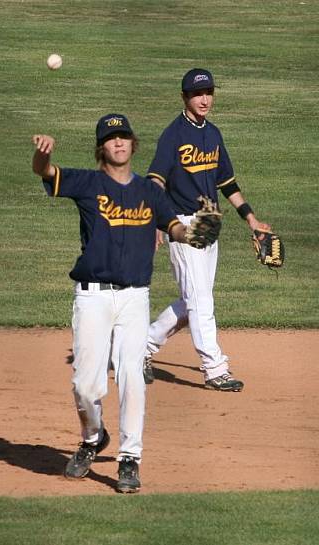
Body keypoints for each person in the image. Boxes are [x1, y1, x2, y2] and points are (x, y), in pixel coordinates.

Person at [32, 113, 217, 493]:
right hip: (92, 297)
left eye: (124, 137)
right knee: (86, 384)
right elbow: (46, 173)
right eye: (112, 138)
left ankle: (130, 458)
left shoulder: (150, 192)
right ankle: (92, 437)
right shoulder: (88, 182)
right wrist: (41, 155)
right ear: (102, 147)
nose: (119, 143)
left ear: (133, 144)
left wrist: (195, 231)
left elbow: (174, 226)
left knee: (133, 376)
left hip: (135, 297)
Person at [143, 68, 271, 390]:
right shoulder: (173, 135)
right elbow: (155, 180)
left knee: (193, 301)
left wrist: (251, 219)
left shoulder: (213, 134)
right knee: (200, 301)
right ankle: (215, 368)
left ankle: (139, 347)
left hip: (209, 223)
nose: (204, 99)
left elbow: (227, 183)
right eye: (198, 94)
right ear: (184, 97)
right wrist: (158, 221)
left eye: (209, 92)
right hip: (183, 226)